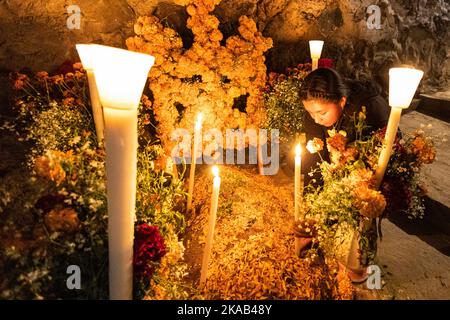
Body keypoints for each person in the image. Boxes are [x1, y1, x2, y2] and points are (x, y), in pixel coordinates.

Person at [297, 68, 391, 283]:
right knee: (328, 200)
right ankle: (336, 251)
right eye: (310, 114)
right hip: (338, 168)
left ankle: (358, 262)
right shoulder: (315, 108)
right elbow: (314, 155)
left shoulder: (370, 108)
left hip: (367, 168)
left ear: (341, 101)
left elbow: (386, 148)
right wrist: (309, 208)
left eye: (321, 113)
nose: (316, 119)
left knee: (360, 214)